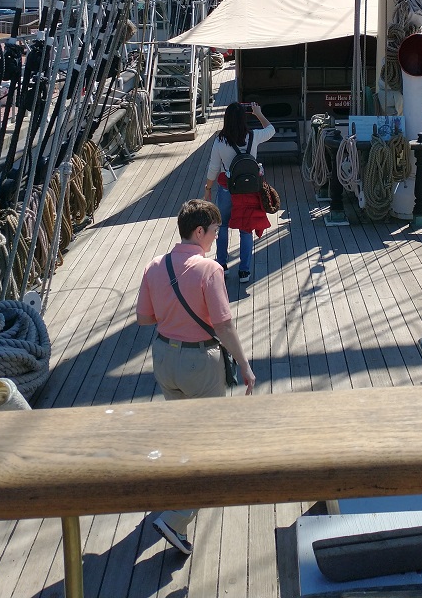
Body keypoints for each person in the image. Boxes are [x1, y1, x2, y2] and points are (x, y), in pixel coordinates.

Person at [136, 198, 255, 555]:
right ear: (200, 231)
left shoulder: (154, 266)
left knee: (184, 432)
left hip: (164, 358)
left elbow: (144, 318)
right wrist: (244, 366)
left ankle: (177, 494)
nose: (217, 237)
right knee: (209, 443)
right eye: (215, 231)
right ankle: (177, 519)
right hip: (199, 363)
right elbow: (223, 325)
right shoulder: (209, 270)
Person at [204, 101, 275, 283]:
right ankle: (244, 271)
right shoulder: (254, 136)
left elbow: (213, 168)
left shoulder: (220, 141)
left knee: (222, 226)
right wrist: (258, 113)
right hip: (249, 191)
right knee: (246, 229)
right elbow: (271, 130)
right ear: (244, 119)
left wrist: (208, 188)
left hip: (228, 189)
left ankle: (222, 265)